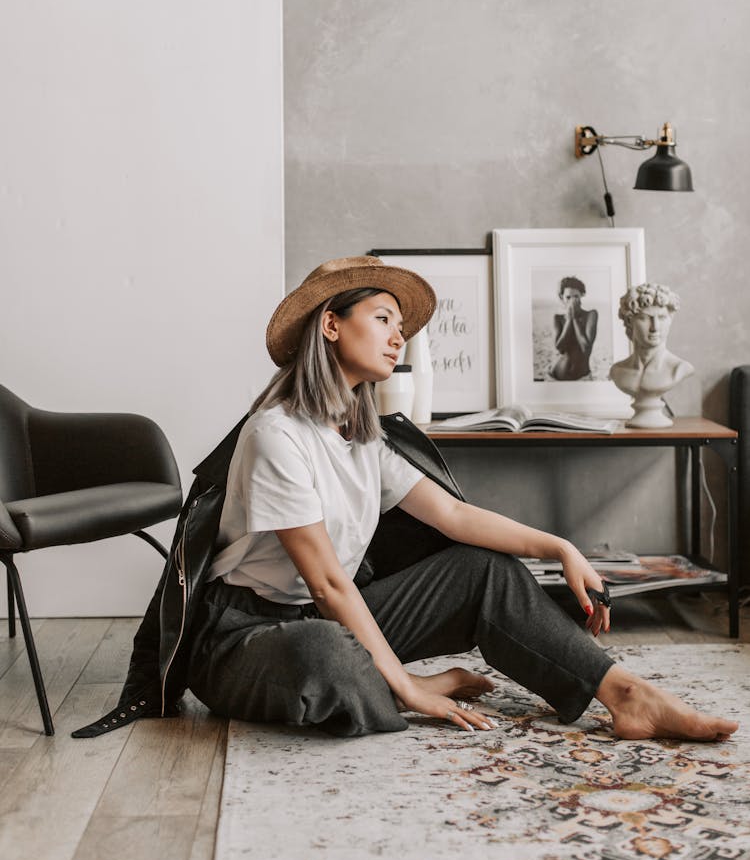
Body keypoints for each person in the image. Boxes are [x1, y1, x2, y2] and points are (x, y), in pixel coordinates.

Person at [185, 256, 736, 742]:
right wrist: (413, 687)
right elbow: (328, 584)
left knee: (481, 571)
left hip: (332, 617)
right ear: (330, 324)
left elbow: (451, 515)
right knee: (328, 658)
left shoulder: (359, 436)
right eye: (382, 320)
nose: (399, 338)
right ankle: (398, 685)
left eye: (400, 327)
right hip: (244, 634)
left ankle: (625, 694)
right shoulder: (276, 435)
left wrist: (560, 547)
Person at [611, 284, 694, 428]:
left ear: (670, 320)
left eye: (662, 318)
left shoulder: (679, 369)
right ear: (630, 321)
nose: (655, 327)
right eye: (645, 318)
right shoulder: (617, 371)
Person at [550, 276, 598, 381]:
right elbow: (560, 348)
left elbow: (585, 348)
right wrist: (569, 320)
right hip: (556, 377)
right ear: (561, 297)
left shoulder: (591, 315)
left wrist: (574, 318)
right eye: (568, 297)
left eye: (576, 296)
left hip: (582, 377)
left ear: (582, 295)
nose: (572, 301)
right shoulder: (558, 318)